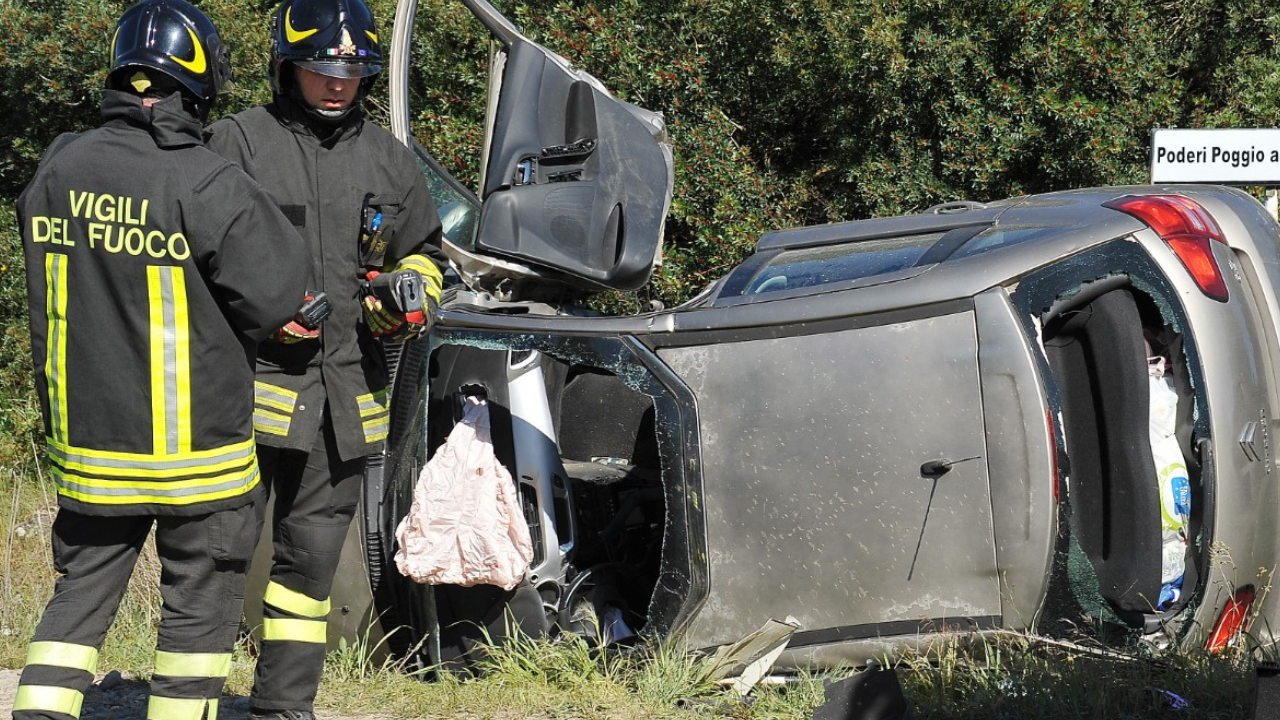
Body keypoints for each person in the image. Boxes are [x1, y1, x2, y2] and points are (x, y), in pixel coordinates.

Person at [12, 0, 311, 718]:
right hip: (197, 461)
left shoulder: (58, 167)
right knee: (195, 624)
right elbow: (280, 300)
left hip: (89, 452)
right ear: (201, 83)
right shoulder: (209, 182)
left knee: (75, 606)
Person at [204, 0, 446, 716]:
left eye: (353, 72)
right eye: (320, 70)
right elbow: (194, 259)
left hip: (344, 406)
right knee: (216, 559)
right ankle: (189, 702)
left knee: (306, 573)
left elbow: (425, 253)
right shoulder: (236, 143)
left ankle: (284, 706)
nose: (338, 84)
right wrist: (261, 315)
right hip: (246, 398)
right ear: (286, 67)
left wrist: (408, 300)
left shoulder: (389, 160)